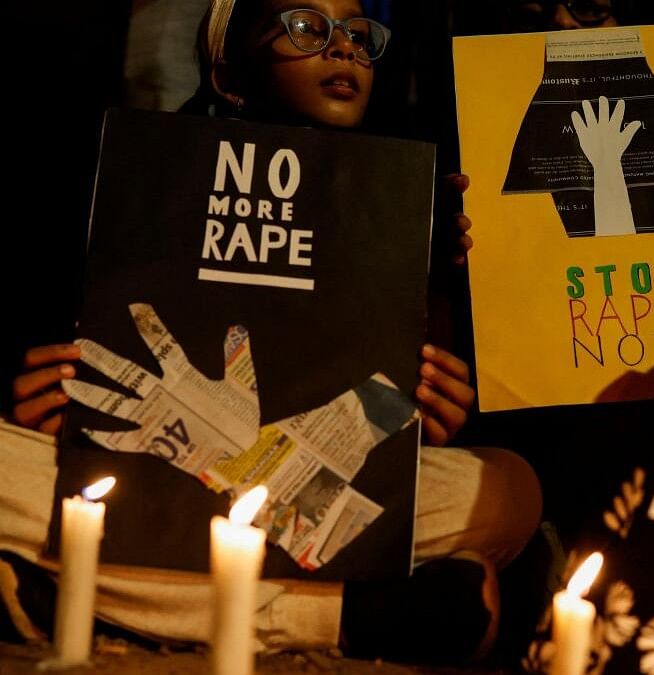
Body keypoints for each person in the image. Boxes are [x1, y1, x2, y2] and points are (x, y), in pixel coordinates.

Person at [3, 0, 541, 664]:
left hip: (306, 486)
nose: (343, 48)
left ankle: (66, 590)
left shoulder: (393, 210)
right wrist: (52, 406)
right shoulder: (146, 183)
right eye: (307, 27)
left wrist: (425, 403)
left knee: (509, 490)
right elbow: (87, 375)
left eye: (357, 33)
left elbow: (388, 438)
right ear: (230, 74)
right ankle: (342, 617)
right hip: (153, 482)